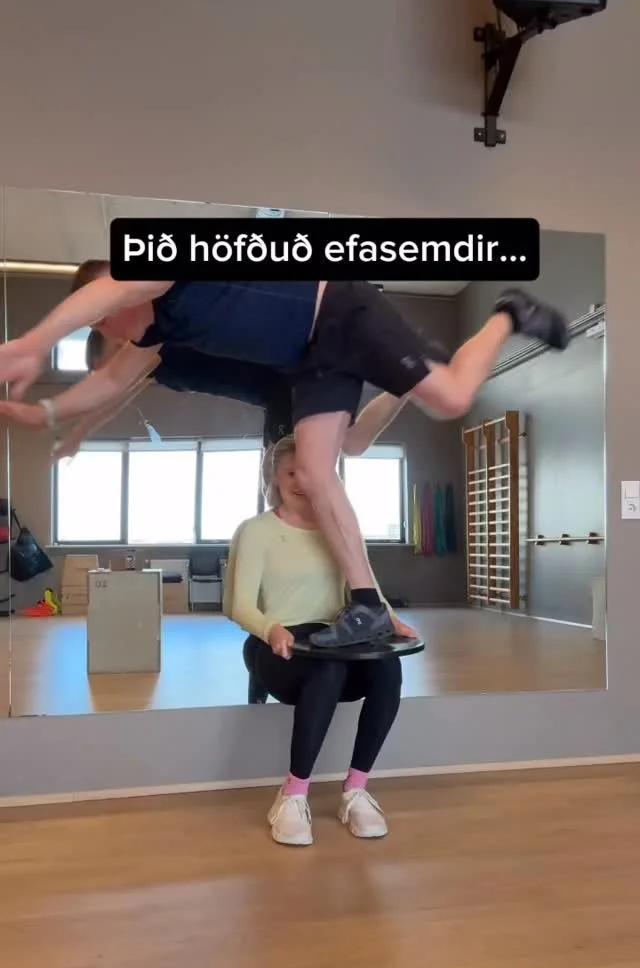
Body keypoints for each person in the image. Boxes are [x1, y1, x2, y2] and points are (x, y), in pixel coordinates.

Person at [0, 264, 569, 648]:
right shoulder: (150, 341)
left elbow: (110, 291)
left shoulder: (162, 269)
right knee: (318, 472)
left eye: (99, 317)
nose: (106, 326)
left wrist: (32, 342)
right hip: (311, 358)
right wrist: (47, 416)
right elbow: (105, 386)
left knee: (451, 398)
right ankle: (368, 605)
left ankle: (509, 311)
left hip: (340, 311)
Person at [224, 435, 415, 846]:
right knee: (327, 670)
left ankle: (356, 790)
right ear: (273, 478)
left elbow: (368, 590)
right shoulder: (257, 531)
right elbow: (237, 606)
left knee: (387, 668)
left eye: (309, 472)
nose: (300, 481)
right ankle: (292, 796)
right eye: (290, 472)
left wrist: (391, 619)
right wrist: (271, 629)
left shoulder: (340, 531)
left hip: (335, 641)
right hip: (277, 648)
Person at [52, 328, 412, 459]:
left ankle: (407, 378)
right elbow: (117, 395)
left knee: (338, 450)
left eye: (112, 368)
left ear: (121, 343)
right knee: (347, 446)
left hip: (289, 375)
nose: (116, 378)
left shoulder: (152, 342)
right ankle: (407, 382)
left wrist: (78, 434)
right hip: (277, 391)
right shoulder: (150, 368)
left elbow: (114, 397)